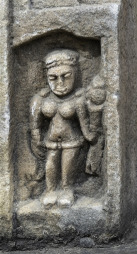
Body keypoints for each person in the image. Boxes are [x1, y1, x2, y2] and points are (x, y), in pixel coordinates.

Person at [29, 49, 95, 208]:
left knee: (67, 166)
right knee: (50, 164)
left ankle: (67, 190)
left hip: (71, 140)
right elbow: (35, 123)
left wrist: (90, 136)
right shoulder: (42, 99)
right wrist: (35, 135)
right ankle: (50, 190)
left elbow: (84, 123)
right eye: (53, 78)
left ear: (75, 74)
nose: (60, 83)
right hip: (51, 140)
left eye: (66, 77)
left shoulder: (78, 99)